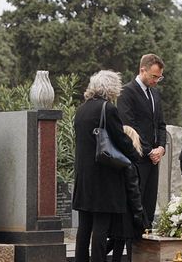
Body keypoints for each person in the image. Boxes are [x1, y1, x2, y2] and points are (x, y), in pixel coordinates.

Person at [73, 70, 141, 262]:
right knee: (101, 228)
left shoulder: (82, 109)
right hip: (104, 178)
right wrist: (136, 157)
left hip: (84, 176)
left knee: (84, 227)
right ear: (111, 88)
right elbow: (121, 139)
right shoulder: (108, 109)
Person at [117, 54, 167, 226]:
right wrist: (148, 150)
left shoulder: (155, 93)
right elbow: (129, 125)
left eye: (159, 77)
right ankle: (134, 250)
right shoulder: (127, 92)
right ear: (142, 70)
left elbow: (161, 124)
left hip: (154, 159)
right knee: (136, 207)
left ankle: (148, 246)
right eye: (154, 76)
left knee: (149, 205)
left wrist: (161, 147)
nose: (156, 81)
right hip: (137, 158)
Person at [108, 125, 146, 262]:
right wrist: (139, 213)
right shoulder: (130, 165)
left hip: (116, 209)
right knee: (128, 242)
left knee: (117, 241)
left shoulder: (114, 162)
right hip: (128, 211)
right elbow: (133, 191)